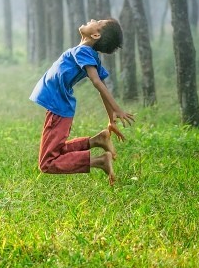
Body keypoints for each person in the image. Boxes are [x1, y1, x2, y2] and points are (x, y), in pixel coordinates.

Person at [29, 18, 134, 185]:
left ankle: (99, 161)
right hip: (58, 107)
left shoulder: (84, 51)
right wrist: (110, 118)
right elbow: (102, 83)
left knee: (47, 163)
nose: (92, 19)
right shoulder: (87, 53)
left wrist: (117, 108)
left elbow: (97, 82)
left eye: (97, 21)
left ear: (95, 34)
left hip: (58, 108)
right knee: (57, 151)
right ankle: (96, 141)